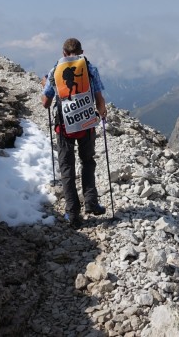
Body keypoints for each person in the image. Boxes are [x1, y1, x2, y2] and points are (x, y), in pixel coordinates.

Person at [42, 38, 108, 228]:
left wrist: (45, 84)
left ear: (63, 53)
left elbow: (45, 103)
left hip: (64, 126)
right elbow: (99, 98)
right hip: (86, 123)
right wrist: (102, 113)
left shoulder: (55, 70)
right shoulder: (89, 68)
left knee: (67, 168)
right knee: (88, 161)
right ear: (81, 51)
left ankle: (73, 214)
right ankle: (91, 203)